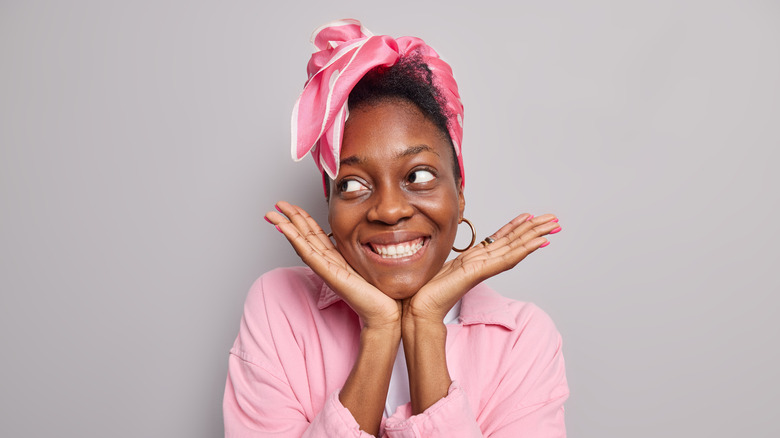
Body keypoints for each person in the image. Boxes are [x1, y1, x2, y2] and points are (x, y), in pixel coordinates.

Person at [223, 19, 568, 437]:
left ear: (460, 191)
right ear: (329, 203)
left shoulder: (523, 340)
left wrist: (426, 325)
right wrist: (380, 329)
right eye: (352, 184)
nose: (388, 210)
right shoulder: (279, 308)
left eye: (419, 176)